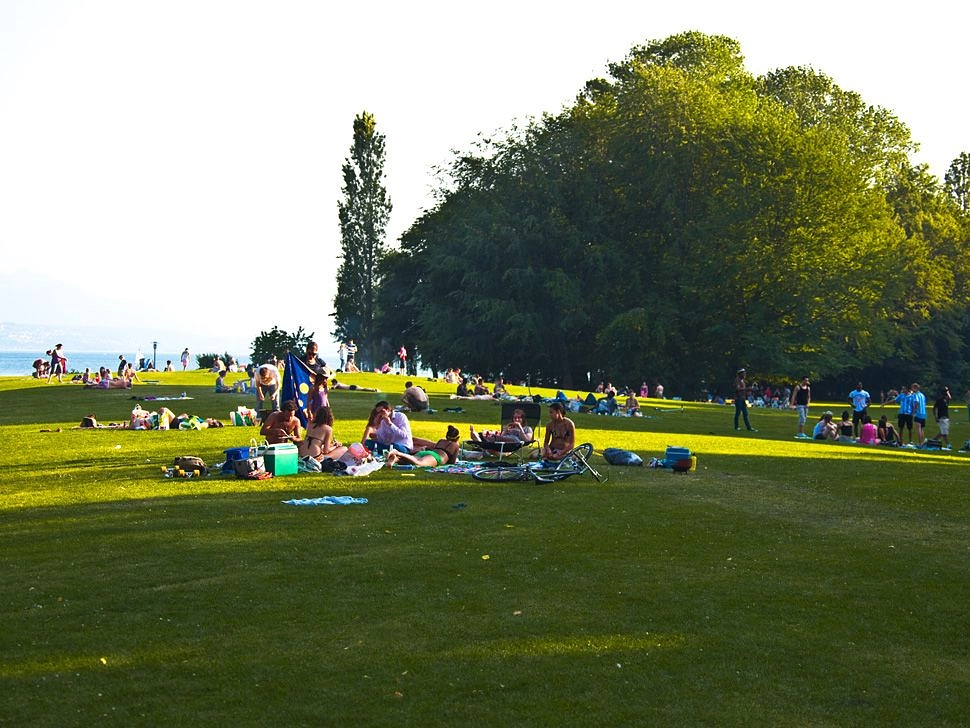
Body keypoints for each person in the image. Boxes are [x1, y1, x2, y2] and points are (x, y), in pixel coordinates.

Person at [385, 425, 462, 468]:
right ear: (457, 438)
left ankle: (396, 459)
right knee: (419, 463)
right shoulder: (455, 445)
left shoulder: (441, 441)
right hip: (436, 457)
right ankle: (398, 453)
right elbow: (452, 462)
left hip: (427, 453)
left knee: (412, 461)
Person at [469, 407, 534, 444]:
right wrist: (505, 429)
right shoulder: (510, 427)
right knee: (496, 437)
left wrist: (520, 428)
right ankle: (480, 438)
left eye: (519, 418)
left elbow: (527, 440)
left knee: (512, 438)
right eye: (515, 418)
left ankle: (480, 438)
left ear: (523, 419)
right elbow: (502, 436)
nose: (516, 419)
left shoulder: (527, 428)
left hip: (515, 443)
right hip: (503, 443)